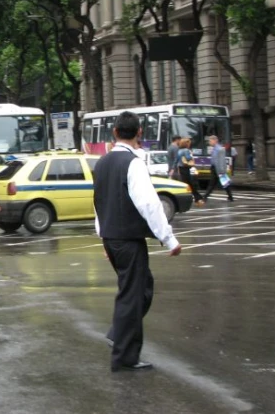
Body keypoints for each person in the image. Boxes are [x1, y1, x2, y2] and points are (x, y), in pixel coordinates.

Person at [93, 111, 181, 372]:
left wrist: (103, 237)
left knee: (142, 289)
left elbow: (98, 204)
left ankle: (118, 333)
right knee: (132, 295)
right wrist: (169, 239)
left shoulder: (102, 163)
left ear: (115, 132)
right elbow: (150, 205)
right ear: (139, 133)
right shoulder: (133, 163)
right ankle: (124, 357)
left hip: (112, 237)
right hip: (128, 240)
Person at [204, 135, 234, 202]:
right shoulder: (214, 148)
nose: (209, 142)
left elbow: (221, 161)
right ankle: (205, 196)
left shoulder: (220, 149)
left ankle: (205, 196)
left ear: (215, 140)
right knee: (214, 183)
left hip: (218, 169)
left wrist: (221, 171)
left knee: (223, 183)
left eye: (210, 141)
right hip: (214, 168)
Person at [177, 138, 204, 205]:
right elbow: (188, 158)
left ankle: (197, 197)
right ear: (186, 144)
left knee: (186, 183)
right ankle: (198, 197)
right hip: (186, 168)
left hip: (181, 168)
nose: (190, 144)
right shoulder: (186, 150)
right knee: (190, 184)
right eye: (189, 143)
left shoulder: (179, 150)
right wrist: (191, 154)